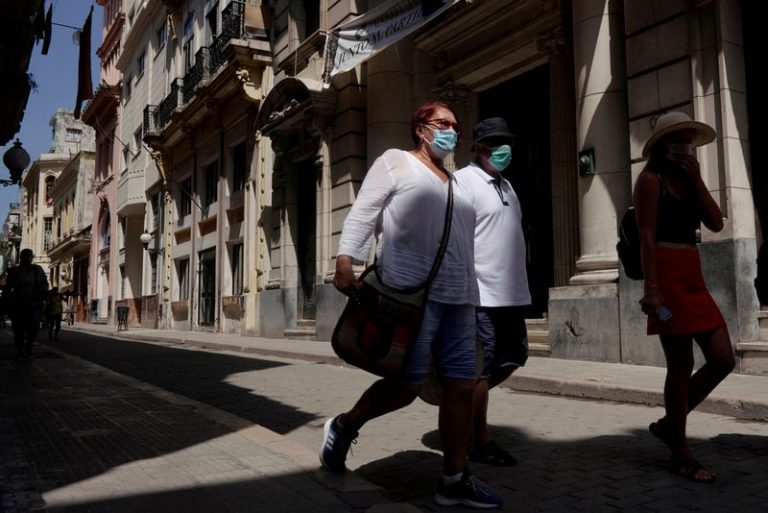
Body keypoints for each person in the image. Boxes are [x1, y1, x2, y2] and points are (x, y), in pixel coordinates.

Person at [321, 101, 503, 508]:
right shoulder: (395, 162)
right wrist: (346, 260)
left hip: (459, 296)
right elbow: (364, 212)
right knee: (406, 386)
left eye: (455, 126)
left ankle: (454, 479)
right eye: (443, 124)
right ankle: (345, 426)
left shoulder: (457, 183)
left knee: (462, 386)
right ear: (421, 129)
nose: (452, 132)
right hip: (412, 295)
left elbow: (467, 242)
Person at [634, 111, 735, 484]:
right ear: (663, 145)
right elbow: (646, 237)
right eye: (679, 140)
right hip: (665, 274)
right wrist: (652, 288)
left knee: (723, 358)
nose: (685, 146)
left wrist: (697, 180)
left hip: (693, 274)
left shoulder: (689, 180)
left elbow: (716, 223)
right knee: (680, 365)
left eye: (689, 141)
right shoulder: (650, 180)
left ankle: (669, 424)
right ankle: (680, 454)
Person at [455, 117, 530, 467]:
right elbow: (456, 240)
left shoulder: (508, 186)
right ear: (479, 147)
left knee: (513, 358)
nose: (504, 149)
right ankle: (480, 440)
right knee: (481, 370)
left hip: (512, 293)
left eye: (507, 143)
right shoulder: (463, 182)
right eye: (497, 143)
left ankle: (461, 399)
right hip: (480, 294)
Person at [3, 249, 49, 360]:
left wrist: (43, 297)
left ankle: (28, 349)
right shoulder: (15, 271)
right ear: (21, 258)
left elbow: (44, 284)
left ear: (32, 258)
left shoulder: (37, 270)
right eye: (25, 256)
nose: (28, 259)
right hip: (18, 305)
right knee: (18, 330)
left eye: (29, 256)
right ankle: (20, 352)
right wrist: (7, 301)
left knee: (34, 328)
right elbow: (7, 288)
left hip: (34, 305)